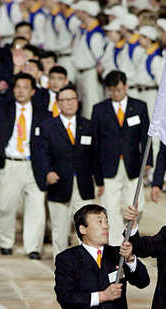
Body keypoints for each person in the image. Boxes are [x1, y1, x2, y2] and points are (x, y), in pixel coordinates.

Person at [39, 84, 104, 257]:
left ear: (78, 101)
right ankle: (61, 267)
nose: (69, 103)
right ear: (58, 103)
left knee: (89, 230)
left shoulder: (88, 125)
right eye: (64, 100)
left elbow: (95, 155)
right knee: (60, 231)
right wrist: (48, 172)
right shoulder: (48, 126)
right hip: (59, 184)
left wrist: (99, 181)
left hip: (84, 186)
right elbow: (42, 153)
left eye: (72, 99)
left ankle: (89, 266)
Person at [91, 70, 152, 245]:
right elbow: (95, 142)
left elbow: (146, 137)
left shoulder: (139, 106)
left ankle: (130, 232)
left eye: (118, 89)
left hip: (133, 164)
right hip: (108, 165)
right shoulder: (99, 109)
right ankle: (117, 244)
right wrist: (97, 172)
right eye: (111, 90)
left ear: (125, 86)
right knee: (110, 206)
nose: (115, 94)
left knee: (136, 204)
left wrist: (148, 161)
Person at [0, 72, 51, 258]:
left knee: (36, 206)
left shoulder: (43, 114)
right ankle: (6, 241)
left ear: (33, 91)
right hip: (10, 163)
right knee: (5, 206)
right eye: (17, 87)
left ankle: (33, 247)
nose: (20, 91)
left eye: (25, 87)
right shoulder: (1, 108)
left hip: (35, 165)